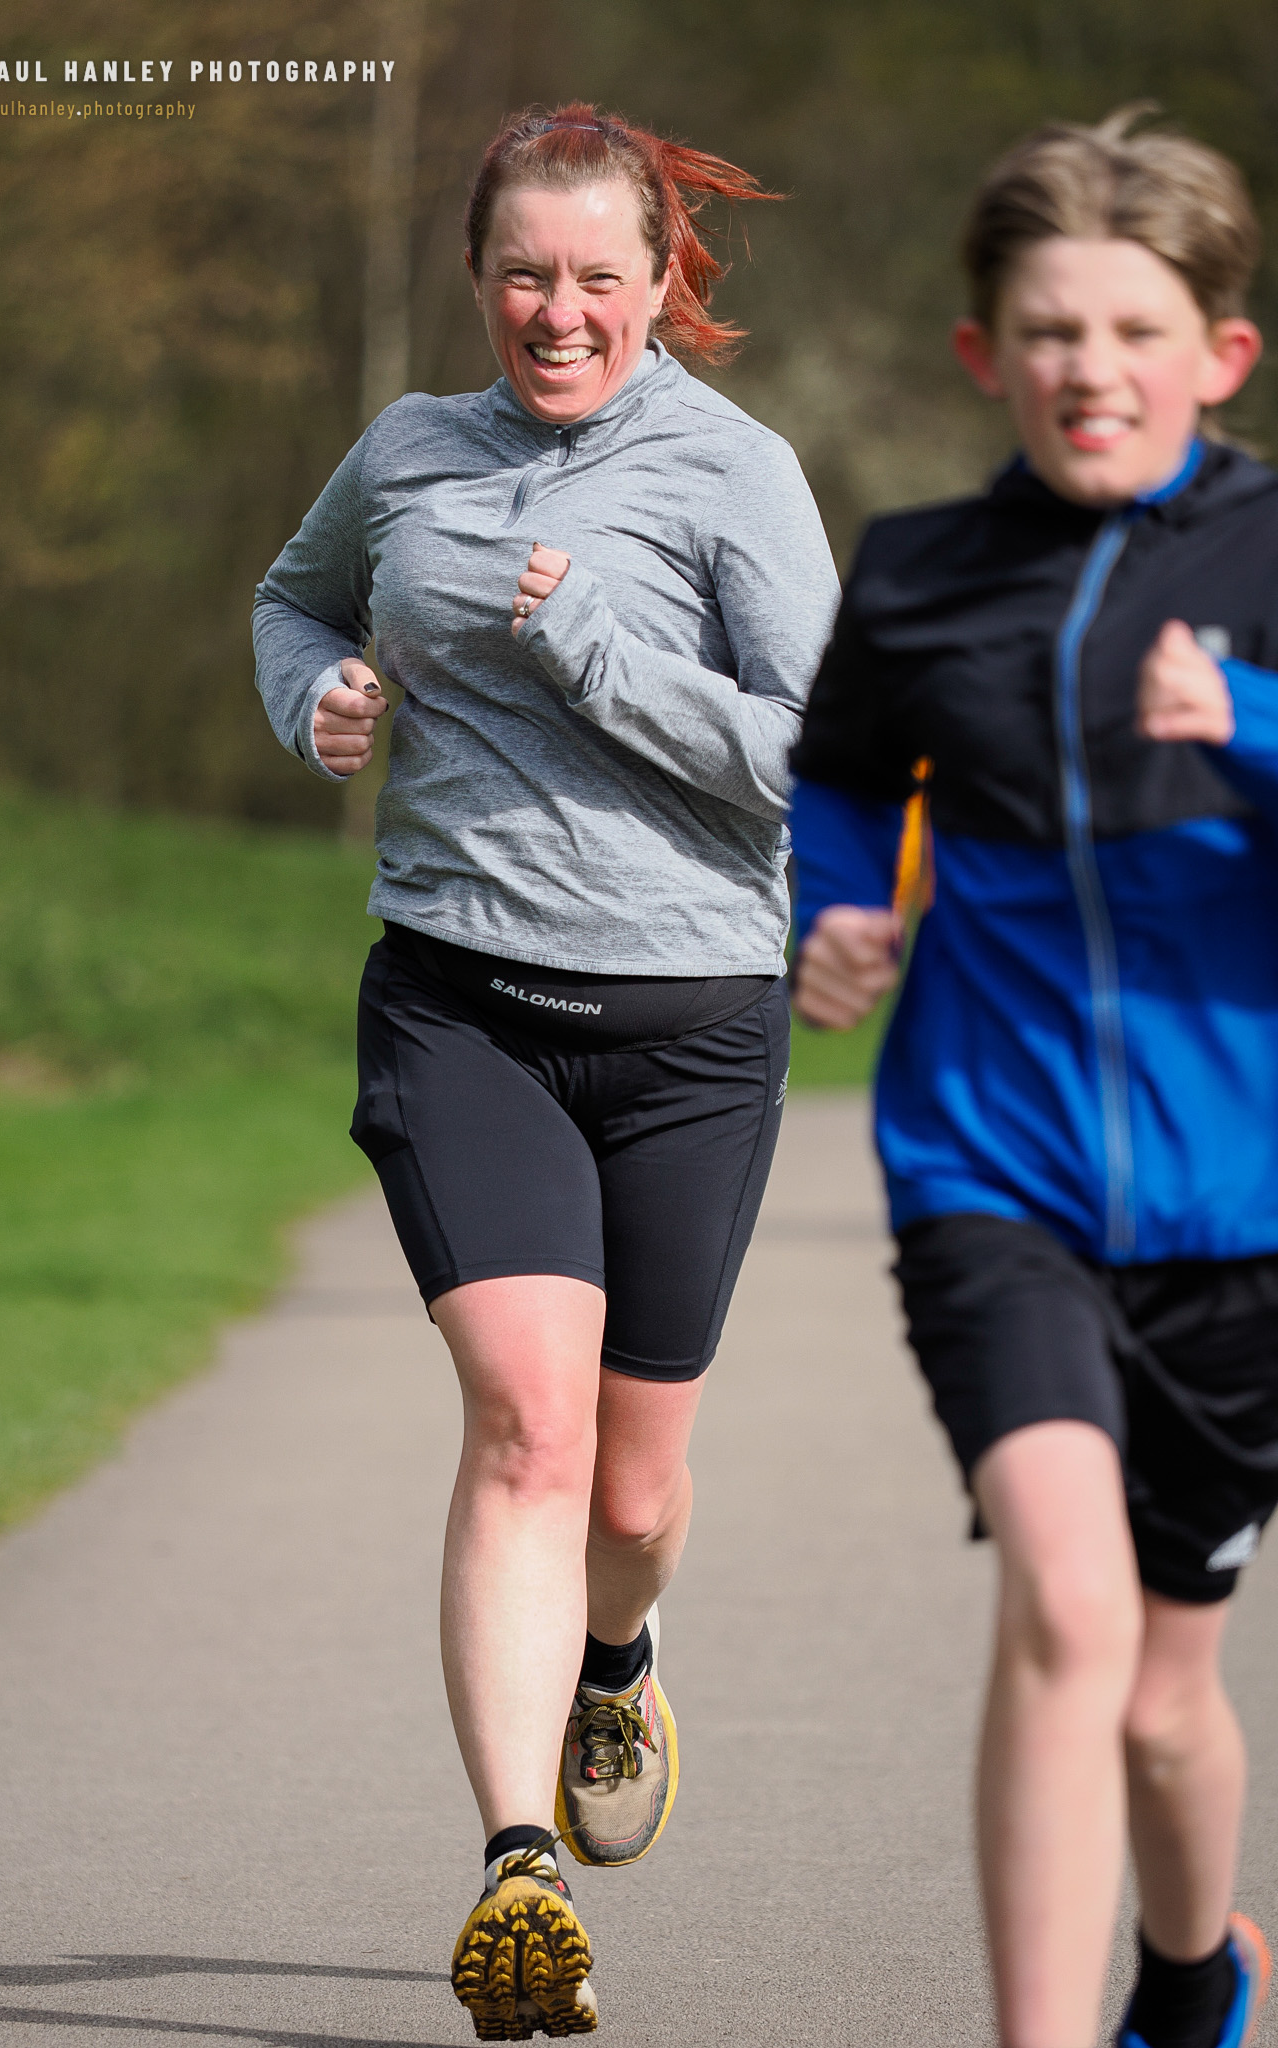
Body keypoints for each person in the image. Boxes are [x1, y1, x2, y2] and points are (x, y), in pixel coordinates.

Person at [252, 102, 837, 2038]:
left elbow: (815, 756)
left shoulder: (732, 474)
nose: (557, 311)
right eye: (524, 271)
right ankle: (515, 1871)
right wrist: (316, 697)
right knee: (527, 1421)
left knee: (635, 1486)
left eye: (599, 274)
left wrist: (594, 647)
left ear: (665, 275)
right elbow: (294, 595)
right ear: (478, 275)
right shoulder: (410, 452)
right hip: (461, 1004)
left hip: (687, 1027)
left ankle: (618, 1651)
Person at [790, 108, 1276, 2048]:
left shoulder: (1271, 554)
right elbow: (837, 782)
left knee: (1167, 1692)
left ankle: (1195, 1970)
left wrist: (1242, 720)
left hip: (1245, 1211)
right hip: (989, 1165)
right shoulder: (916, 573)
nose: (1094, 369)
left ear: (1220, 353)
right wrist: (828, 916)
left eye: (1137, 330)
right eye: (1051, 330)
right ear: (986, 350)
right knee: (1065, 1606)